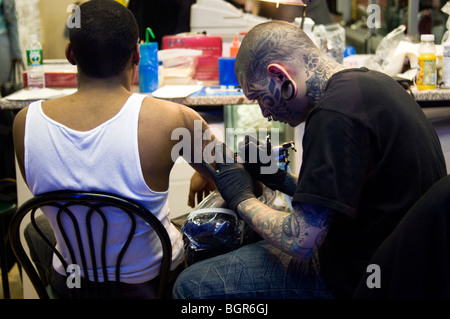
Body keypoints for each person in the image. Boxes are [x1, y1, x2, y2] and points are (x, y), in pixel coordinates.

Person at [173, 20, 447, 299]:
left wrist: (242, 199)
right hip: (402, 267)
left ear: (279, 75)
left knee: (191, 285)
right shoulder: (372, 86)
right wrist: (279, 179)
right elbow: (341, 195)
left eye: (258, 97)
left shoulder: (333, 116)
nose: (265, 113)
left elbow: (301, 240)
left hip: (359, 279)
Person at [13, 0, 216, 299]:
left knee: (40, 228)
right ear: (136, 54)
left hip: (74, 287)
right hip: (151, 285)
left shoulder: (24, 123)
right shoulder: (173, 118)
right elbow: (232, 172)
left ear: (70, 55)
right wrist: (205, 172)